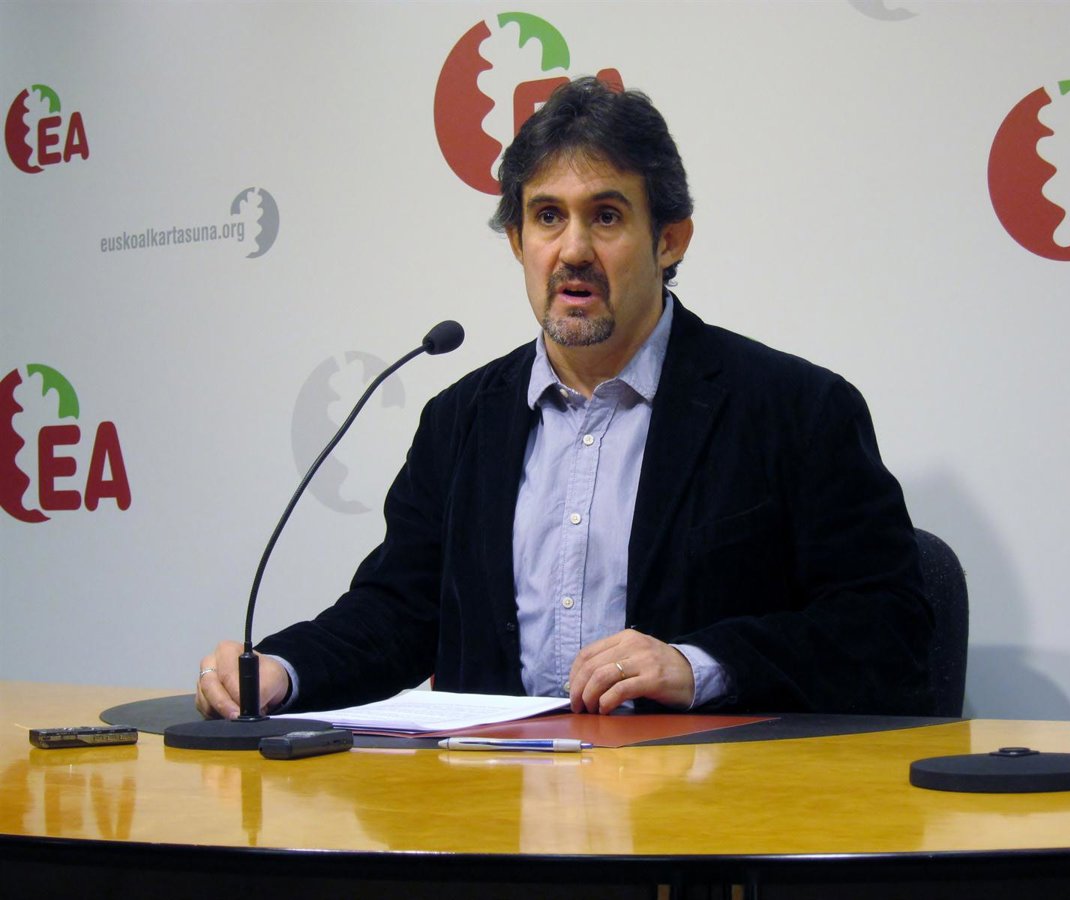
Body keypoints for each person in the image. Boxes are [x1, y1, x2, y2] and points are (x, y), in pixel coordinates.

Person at [197, 77, 932, 720]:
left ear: (670, 240)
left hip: (699, 810)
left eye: (606, 216)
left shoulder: (795, 410)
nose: (573, 249)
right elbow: (399, 610)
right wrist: (282, 671)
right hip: (493, 814)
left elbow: (887, 626)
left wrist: (699, 666)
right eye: (547, 216)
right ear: (518, 241)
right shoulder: (461, 421)